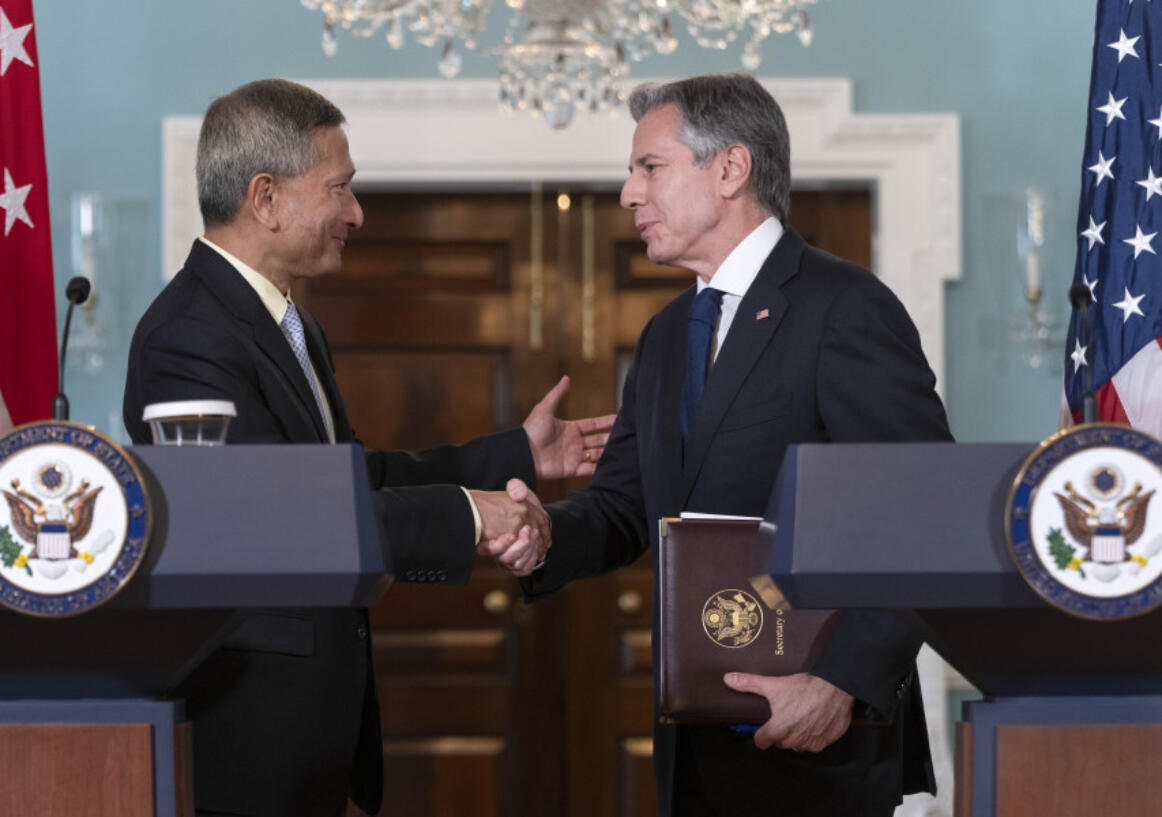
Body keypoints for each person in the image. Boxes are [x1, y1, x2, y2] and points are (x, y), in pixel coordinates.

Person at [122, 78, 613, 817]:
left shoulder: (290, 326)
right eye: (341, 189)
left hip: (309, 735)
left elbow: (345, 482)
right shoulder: (188, 336)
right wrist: (471, 519)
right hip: (245, 740)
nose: (357, 212)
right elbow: (276, 518)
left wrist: (515, 458)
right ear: (267, 198)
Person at [506, 74, 952, 816]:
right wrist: (544, 528)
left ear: (730, 168)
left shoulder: (843, 308)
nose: (628, 193)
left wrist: (842, 681)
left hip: (817, 743)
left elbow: (932, 512)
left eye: (649, 167)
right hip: (695, 749)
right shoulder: (662, 339)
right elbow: (625, 506)